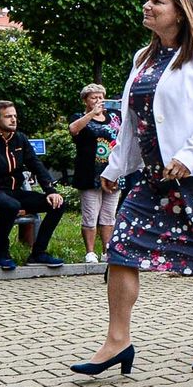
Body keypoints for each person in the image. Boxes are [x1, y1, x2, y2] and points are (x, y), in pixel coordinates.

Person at [71, 0, 193, 378]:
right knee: (122, 248)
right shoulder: (142, 59)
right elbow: (132, 122)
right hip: (150, 177)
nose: (147, 7)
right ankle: (118, 341)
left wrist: (187, 156)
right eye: (147, 0)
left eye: (156, 2)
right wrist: (114, 168)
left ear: (180, 11)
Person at [0, 100, 66, 271]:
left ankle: (38, 253)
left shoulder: (19, 138)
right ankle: (1, 253)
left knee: (58, 205)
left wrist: (51, 191)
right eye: (8, 116)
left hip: (15, 191)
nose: (13, 120)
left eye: (15, 116)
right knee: (11, 206)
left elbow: (36, 164)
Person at [69, 84, 119, 264]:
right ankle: (90, 252)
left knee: (108, 214)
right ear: (85, 100)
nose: (98, 101)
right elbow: (73, 129)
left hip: (112, 172)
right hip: (89, 172)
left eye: (101, 97)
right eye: (93, 98)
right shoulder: (79, 117)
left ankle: (107, 250)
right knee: (91, 214)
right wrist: (91, 114)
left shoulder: (114, 116)